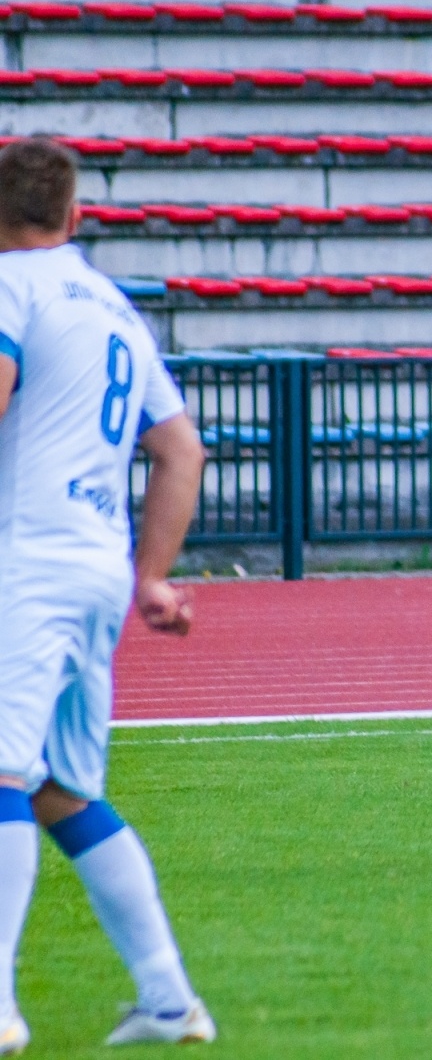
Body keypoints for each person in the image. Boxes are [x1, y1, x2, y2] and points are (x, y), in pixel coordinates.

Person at [0, 137, 215, 1052]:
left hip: (27, 554)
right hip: (93, 564)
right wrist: (153, 575)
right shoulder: (113, 304)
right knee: (58, 789)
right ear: (75, 215)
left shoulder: (12, 283)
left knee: (3, 771)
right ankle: (169, 998)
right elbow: (180, 449)